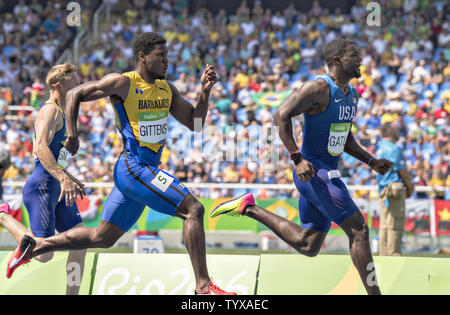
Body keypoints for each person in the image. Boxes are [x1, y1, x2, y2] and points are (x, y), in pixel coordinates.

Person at [8, 32, 235, 295]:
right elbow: (74, 96)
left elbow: (195, 124)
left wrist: (204, 93)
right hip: (133, 167)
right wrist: (72, 133)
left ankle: (35, 247)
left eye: (167, 56)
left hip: (145, 171)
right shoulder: (123, 83)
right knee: (193, 209)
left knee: (101, 238)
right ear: (142, 57)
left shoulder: (167, 89)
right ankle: (203, 286)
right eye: (160, 56)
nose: (166, 61)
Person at [210, 38, 393, 295]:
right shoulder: (319, 88)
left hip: (326, 173)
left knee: (308, 245)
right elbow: (280, 114)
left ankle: (247, 207)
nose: (361, 59)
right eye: (355, 55)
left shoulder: (352, 94)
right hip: (314, 173)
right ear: (338, 61)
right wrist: (296, 158)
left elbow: (344, 136)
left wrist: (370, 161)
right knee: (359, 230)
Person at [0, 63, 87, 295]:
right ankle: (4, 216)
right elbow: (39, 150)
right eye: (74, 81)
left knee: (80, 240)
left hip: (56, 185)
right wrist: (63, 177)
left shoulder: (64, 111)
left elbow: (56, 158)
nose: (78, 84)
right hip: (42, 187)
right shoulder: (50, 111)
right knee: (45, 254)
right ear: (58, 85)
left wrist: (69, 177)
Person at [376, 122, 414, 256]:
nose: (399, 130)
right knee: (395, 223)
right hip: (394, 189)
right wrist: (410, 187)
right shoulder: (393, 149)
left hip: (383, 189)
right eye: (396, 128)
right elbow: (403, 171)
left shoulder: (380, 147)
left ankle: (384, 254)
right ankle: (394, 254)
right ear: (391, 131)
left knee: (384, 224)